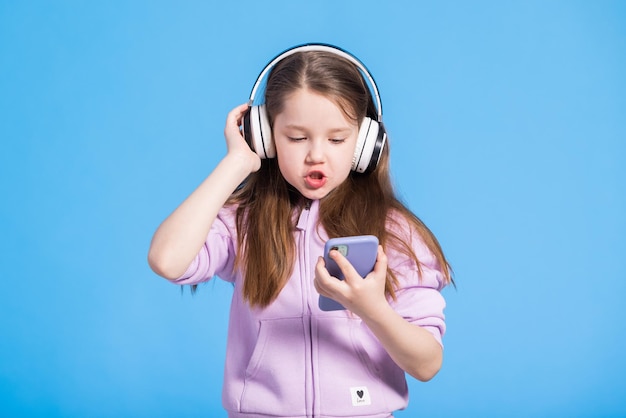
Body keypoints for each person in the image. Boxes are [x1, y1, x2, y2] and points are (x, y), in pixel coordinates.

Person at [148, 44, 453, 418]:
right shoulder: (244, 222)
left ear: (365, 144)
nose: (316, 155)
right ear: (266, 136)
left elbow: (426, 364)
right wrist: (237, 162)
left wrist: (372, 309)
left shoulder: (395, 233)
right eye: (296, 138)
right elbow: (167, 260)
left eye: (337, 139)